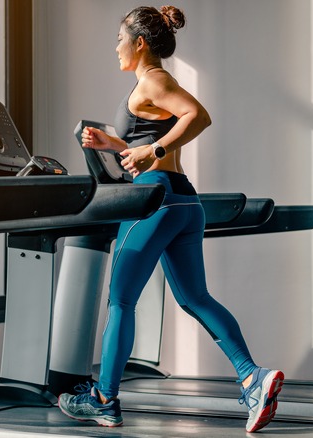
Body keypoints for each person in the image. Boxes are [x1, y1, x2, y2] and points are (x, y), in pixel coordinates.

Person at [57, 5, 284, 433]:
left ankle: (104, 399)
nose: (116, 47)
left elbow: (197, 116)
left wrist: (153, 151)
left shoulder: (154, 80)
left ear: (139, 42)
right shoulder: (154, 85)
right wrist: (115, 143)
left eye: (119, 39)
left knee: (121, 301)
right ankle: (252, 379)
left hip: (153, 201)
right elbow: (148, 137)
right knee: (195, 298)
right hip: (182, 201)